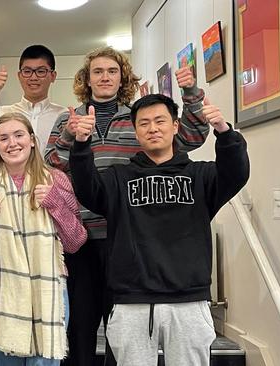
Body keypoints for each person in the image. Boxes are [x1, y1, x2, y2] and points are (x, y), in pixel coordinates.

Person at [44, 47, 211, 366]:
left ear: (122, 78)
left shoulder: (138, 117)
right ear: (86, 79)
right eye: (97, 71)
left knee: (122, 328)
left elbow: (191, 135)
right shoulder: (69, 118)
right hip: (78, 236)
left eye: (111, 71)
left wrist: (191, 92)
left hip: (127, 237)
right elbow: (51, 163)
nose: (104, 77)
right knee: (80, 325)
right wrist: (70, 134)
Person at [68, 94, 249, 366]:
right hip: (132, 302)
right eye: (144, 123)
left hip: (188, 300)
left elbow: (236, 173)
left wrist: (224, 132)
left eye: (160, 121)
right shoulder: (118, 178)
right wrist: (81, 144)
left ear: (175, 126)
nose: (153, 128)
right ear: (135, 131)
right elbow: (86, 189)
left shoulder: (201, 176)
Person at [0, 113, 87, 365]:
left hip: (47, 290)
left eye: (19, 135)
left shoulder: (56, 179)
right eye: (3, 138)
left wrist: (55, 204)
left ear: (32, 140)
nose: (12, 143)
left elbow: (76, 241)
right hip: (2, 293)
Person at [0, 45, 66, 152]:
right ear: (19, 76)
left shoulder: (63, 116)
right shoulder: (5, 114)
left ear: (53, 76)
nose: (33, 77)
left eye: (41, 71)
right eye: (27, 71)